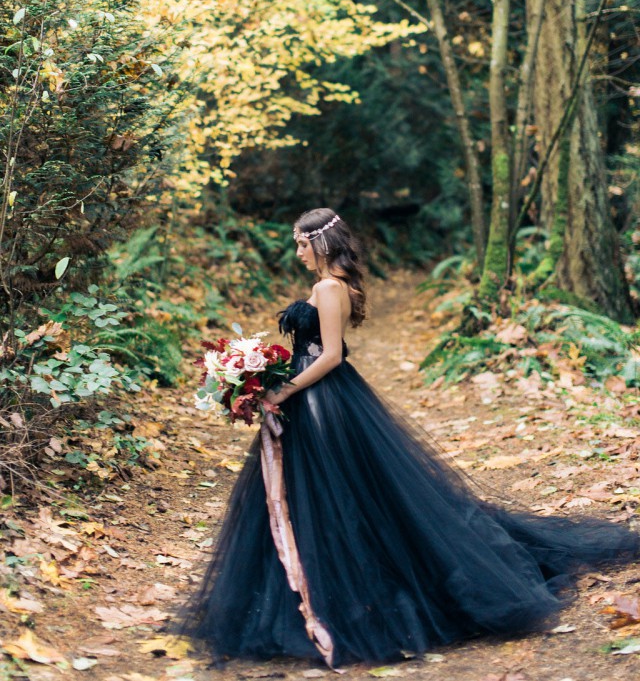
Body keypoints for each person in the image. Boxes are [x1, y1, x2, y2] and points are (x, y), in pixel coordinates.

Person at [178, 208, 640, 668]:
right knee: (318, 495)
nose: (297, 251)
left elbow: (332, 355)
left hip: (323, 400)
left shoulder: (328, 286)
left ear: (321, 242)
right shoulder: (331, 284)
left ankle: (350, 598)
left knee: (338, 495)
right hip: (318, 397)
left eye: (302, 242)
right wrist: (261, 372)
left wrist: (283, 387)